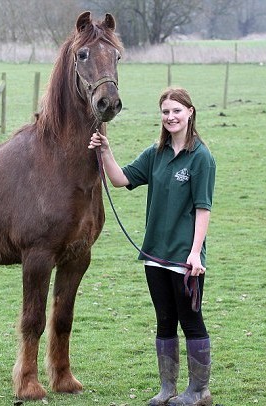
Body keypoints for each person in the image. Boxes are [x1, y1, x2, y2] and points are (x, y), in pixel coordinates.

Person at [88, 87, 216, 406]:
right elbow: (121, 180)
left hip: (185, 259)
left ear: (190, 112)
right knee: (164, 320)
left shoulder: (201, 157)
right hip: (154, 256)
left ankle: (199, 391)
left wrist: (195, 252)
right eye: (165, 112)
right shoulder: (155, 153)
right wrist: (105, 152)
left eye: (176, 111)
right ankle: (167, 389)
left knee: (191, 321)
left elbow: (203, 208)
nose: (170, 117)